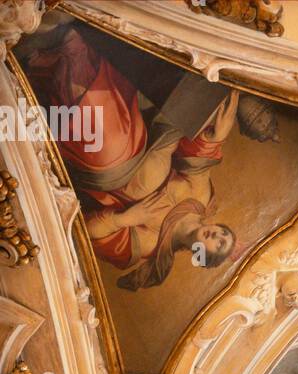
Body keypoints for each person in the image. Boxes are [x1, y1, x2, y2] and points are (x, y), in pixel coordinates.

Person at [24, 23, 239, 288]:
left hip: (112, 175)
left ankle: (68, 55)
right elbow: (198, 161)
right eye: (223, 233)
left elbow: (88, 233)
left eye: (217, 244)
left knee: (110, 149)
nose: (217, 235)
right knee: (204, 99)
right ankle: (91, 36)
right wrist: (217, 136)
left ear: (200, 254)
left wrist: (125, 219)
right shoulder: (201, 198)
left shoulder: (149, 245)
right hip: (154, 139)